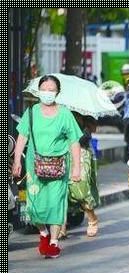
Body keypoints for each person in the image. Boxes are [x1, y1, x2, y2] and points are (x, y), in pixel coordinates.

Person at [12, 75, 83, 259]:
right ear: (38, 91)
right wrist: (17, 161)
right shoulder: (31, 112)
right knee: (34, 207)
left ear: (57, 92)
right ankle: (43, 233)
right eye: (44, 89)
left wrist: (76, 167)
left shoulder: (65, 114)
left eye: (51, 90)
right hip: (34, 167)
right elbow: (22, 137)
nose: (48, 93)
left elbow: (74, 142)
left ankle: (53, 242)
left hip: (58, 167)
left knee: (56, 203)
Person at [60, 113, 101, 238]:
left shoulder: (84, 111)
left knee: (81, 191)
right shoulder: (60, 112)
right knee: (62, 191)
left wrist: (83, 121)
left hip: (82, 155)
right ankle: (62, 227)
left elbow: (92, 130)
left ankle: (92, 218)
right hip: (63, 153)